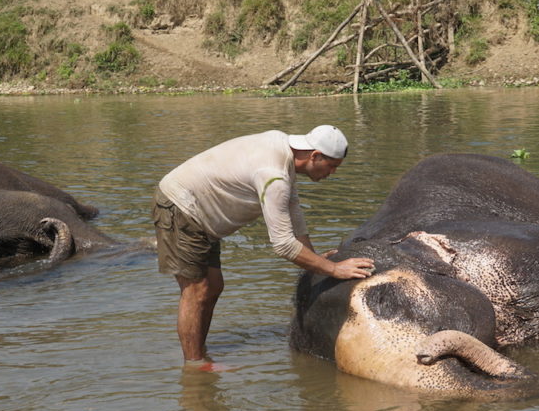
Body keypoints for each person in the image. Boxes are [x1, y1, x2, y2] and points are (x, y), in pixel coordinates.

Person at [152, 125, 375, 367]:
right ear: (315, 156)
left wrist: (314, 258)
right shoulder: (274, 175)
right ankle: (195, 365)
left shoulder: (282, 148)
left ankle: (198, 350)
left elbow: (294, 212)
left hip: (201, 212)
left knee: (213, 286)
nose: (332, 172)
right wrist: (333, 269)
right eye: (331, 166)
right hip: (182, 205)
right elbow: (283, 245)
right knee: (196, 290)